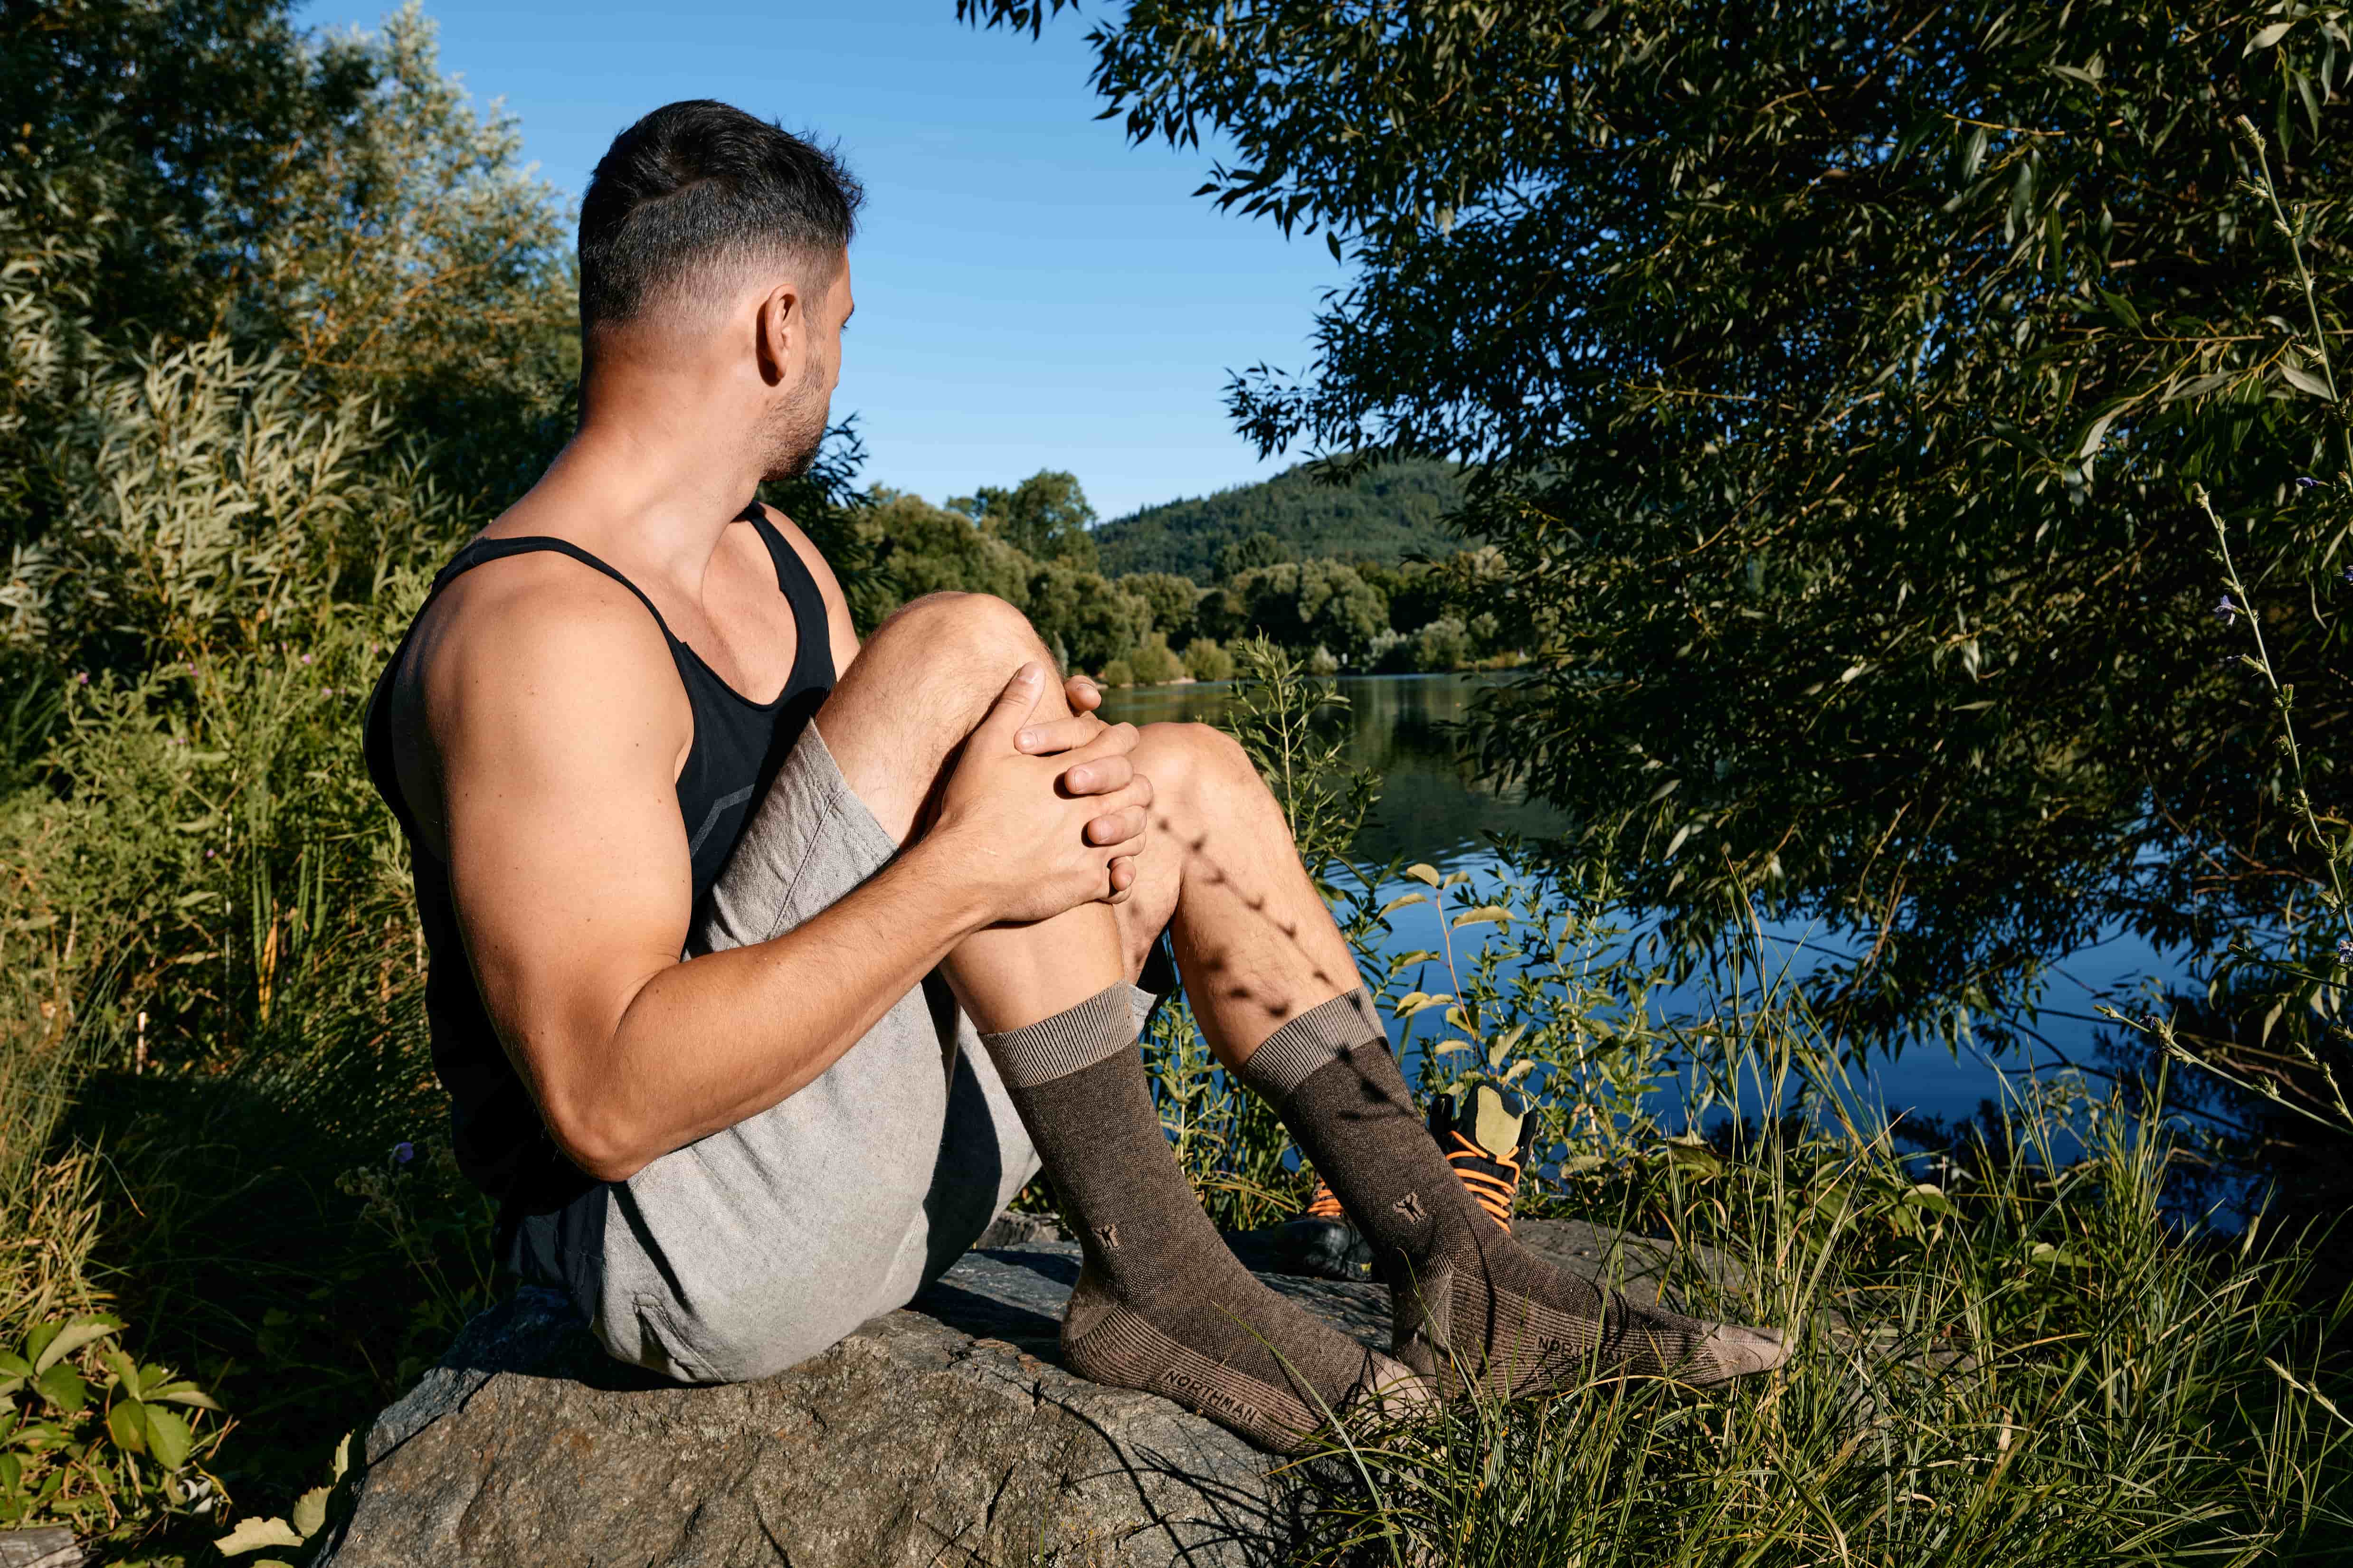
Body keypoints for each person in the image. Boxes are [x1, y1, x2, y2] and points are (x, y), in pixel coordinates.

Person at [362, 99, 1788, 1457]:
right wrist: (971, 860)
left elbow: (880, 870)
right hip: (688, 1253)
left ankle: (1457, 1267)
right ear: (780, 325)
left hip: (855, 1154)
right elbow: (607, 1101)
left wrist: (1033, 782)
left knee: (1189, 772)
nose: (843, 361)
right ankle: (1158, 1277)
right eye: (845, 326)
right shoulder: (539, 634)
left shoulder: (776, 559)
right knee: (967, 639)